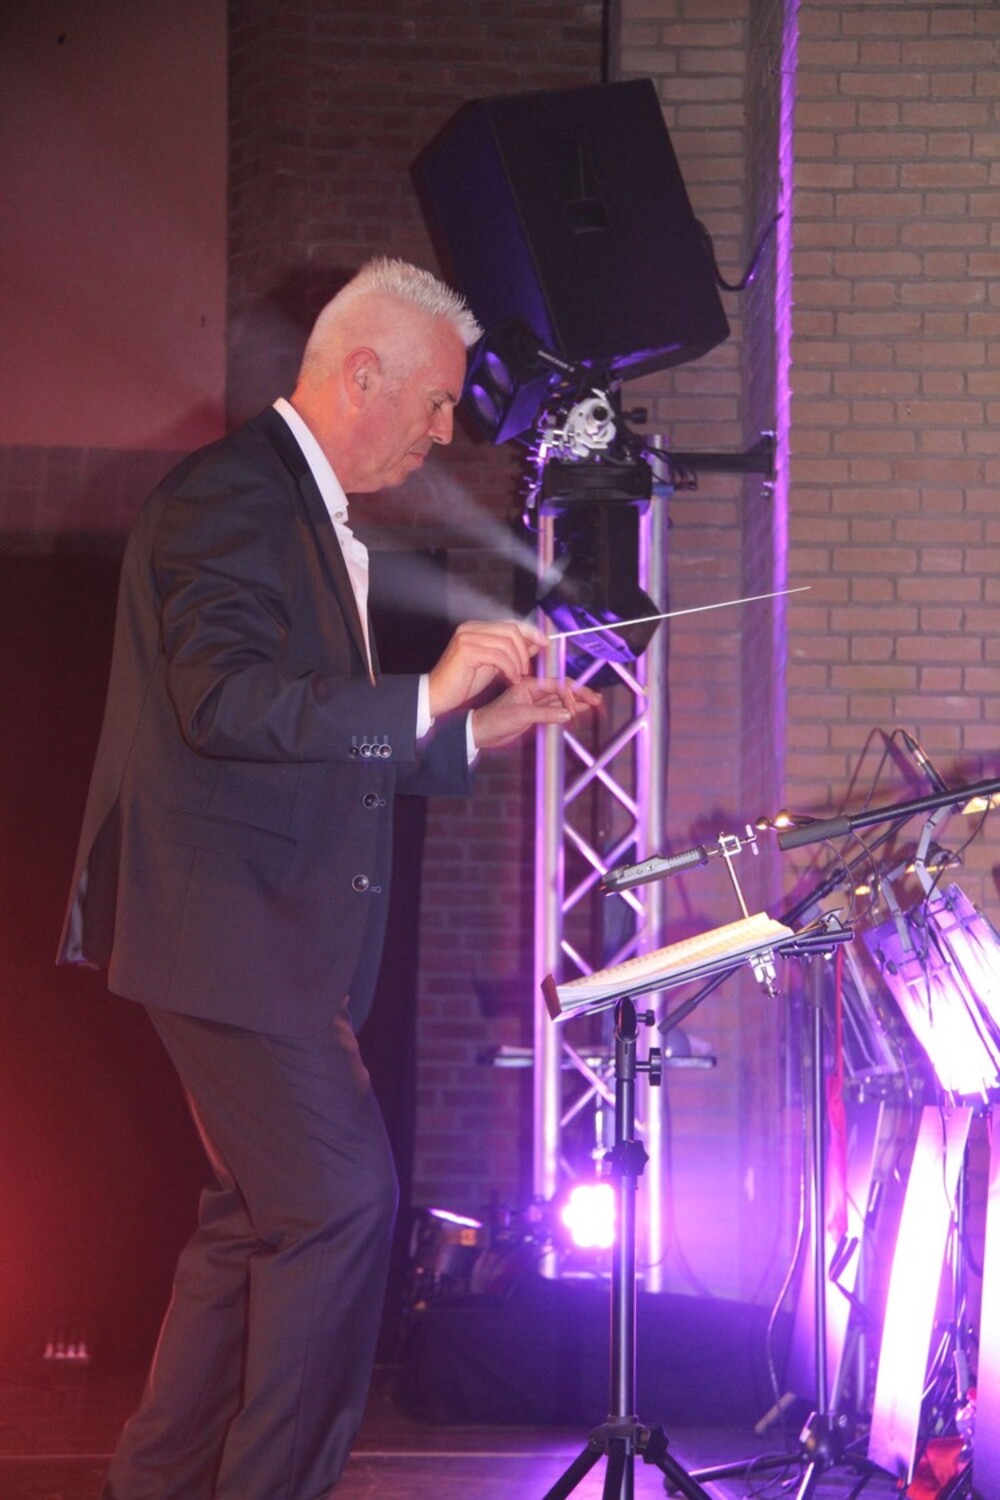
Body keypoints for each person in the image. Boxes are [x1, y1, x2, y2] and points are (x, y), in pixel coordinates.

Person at [58, 256, 599, 1500]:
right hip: (229, 932)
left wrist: (468, 731)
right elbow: (223, 704)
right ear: (364, 374)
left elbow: (305, 747)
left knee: (259, 1220)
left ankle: (155, 1485)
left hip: (252, 937)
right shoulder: (234, 498)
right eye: (437, 400)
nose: (445, 430)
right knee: (345, 1205)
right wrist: (422, 691)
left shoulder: (293, 507)